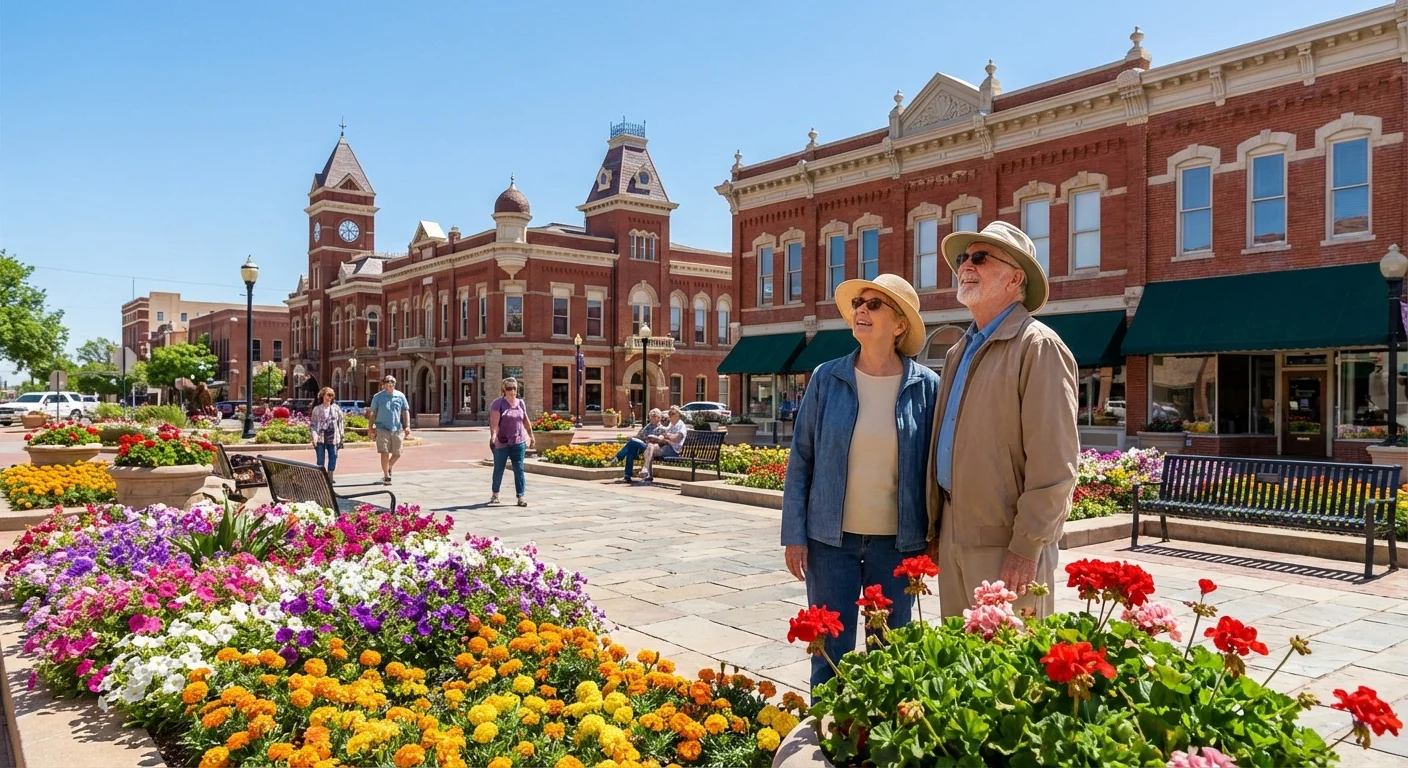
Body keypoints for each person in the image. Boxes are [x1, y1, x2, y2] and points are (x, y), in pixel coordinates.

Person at [780, 273, 940, 693]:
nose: (861, 310)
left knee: (890, 653)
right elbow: (801, 461)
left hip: (898, 545)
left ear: (900, 324)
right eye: (858, 304)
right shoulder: (825, 378)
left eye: (874, 304)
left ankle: (879, 748)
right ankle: (823, 742)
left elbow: (938, 470)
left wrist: (936, 536)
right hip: (830, 541)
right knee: (829, 653)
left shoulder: (926, 387)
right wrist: (794, 535)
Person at [927, 221, 1079, 619]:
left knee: (1008, 674)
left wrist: (1026, 548)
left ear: (1015, 278)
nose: (966, 267)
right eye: (963, 259)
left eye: (980, 258)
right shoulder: (958, 352)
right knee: (960, 671)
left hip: (1006, 550)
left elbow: (1056, 464)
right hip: (954, 538)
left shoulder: (1039, 347)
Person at [488, 376, 534, 506]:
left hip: (518, 441)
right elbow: (494, 423)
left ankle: (521, 496)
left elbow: (525, 420)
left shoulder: (520, 403)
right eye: (509, 388)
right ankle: (495, 494)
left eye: (514, 388)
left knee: (519, 469)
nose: (512, 391)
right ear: (504, 390)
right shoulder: (498, 404)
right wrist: (493, 436)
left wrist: (531, 435)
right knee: (499, 468)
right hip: (502, 442)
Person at [368, 375, 411, 486]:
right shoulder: (377, 397)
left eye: (392, 382)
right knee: (384, 451)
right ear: (383, 384)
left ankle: (389, 466)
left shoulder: (400, 396)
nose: (390, 384)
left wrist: (407, 426)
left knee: (397, 452)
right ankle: (387, 476)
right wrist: (370, 428)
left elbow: (405, 411)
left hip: (397, 428)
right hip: (382, 428)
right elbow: (372, 413)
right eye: (387, 382)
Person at [639, 405, 688, 483]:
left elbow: (677, 438)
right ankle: (647, 473)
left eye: (671, 415)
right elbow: (665, 433)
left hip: (673, 450)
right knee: (650, 446)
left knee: (650, 449)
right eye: (669, 415)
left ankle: (646, 471)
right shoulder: (671, 424)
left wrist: (668, 436)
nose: (670, 417)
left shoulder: (681, 425)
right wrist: (660, 438)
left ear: (677, 415)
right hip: (665, 446)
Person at [614, 408, 663, 483]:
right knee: (630, 449)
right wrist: (633, 437)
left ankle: (618, 457)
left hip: (650, 448)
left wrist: (650, 438)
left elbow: (659, 440)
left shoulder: (660, 428)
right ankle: (627, 476)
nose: (651, 418)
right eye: (650, 416)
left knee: (632, 445)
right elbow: (639, 435)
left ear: (659, 418)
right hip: (642, 445)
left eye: (653, 416)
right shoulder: (648, 426)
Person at [310, 386, 345, 482]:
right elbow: (313, 424)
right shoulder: (317, 409)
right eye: (328, 395)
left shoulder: (336, 408)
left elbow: (340, 423)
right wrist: (314, 436)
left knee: (333, 456)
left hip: (333, 435)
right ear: (323, 395)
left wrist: (342, 435)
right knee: (320, 459)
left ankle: (330, 476)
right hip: (320, 436)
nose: (330, 397)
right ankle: (321, 476)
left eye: (332, 396)